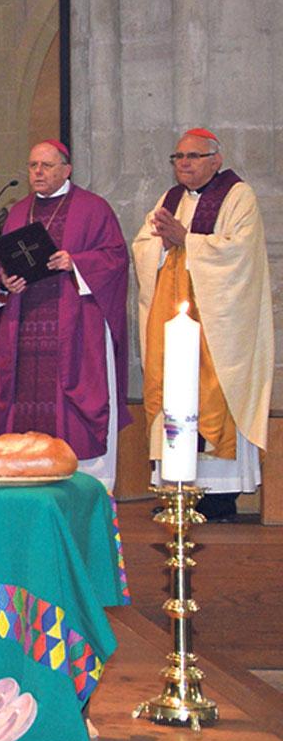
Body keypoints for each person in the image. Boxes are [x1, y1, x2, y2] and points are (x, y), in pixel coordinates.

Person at [131, 128, 273, 520]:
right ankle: (174, 487)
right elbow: (144, 244)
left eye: (193, 156)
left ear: (216, 160)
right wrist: (160, 245)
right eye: (178, 157)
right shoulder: (169, 198)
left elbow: (240, 252)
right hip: (171, 312)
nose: (184, 164)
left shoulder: (237, 196)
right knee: (172, 388)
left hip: (216, 322)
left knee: (210, 391)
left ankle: (218, 497)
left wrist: (187, 240)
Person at [0, 141, 129, 487]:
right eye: (33, 165)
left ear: (67, 170)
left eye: (47, 166)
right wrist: (6, 282)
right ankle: (25, 478)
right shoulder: (18, 212)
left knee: (72, 411)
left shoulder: (94, 209)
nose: (38, 172)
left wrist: (75, 263)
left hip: (74, 328)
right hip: (25, 327)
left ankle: (84, 487)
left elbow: (116, 258)